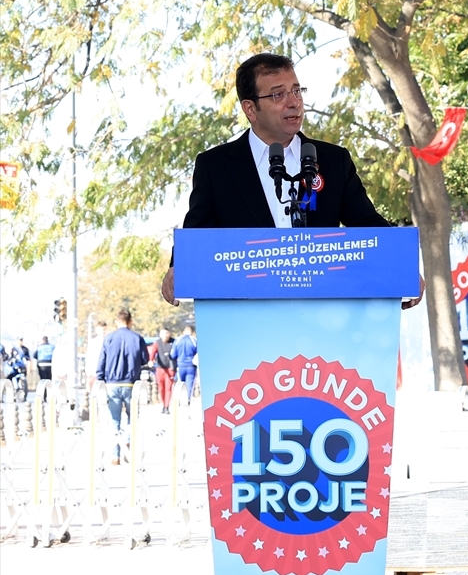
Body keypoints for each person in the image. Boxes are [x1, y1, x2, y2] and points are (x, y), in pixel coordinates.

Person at [160, 52, 421, 307]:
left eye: (297, 91)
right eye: (278, 94)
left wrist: (401, 265)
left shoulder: (332, 161)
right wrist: (179, 266)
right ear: (250, 108)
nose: (294, 102)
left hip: (324, 315)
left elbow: (365, 222)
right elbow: (199, 232)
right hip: (248, 315)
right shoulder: (215, 166)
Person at [96, 310, 149, 465]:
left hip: (112, 383)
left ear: (116, 322)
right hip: (131, 383)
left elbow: (102, 361)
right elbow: (145, 358)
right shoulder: (137, 338)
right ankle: (127, 442)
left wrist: (100, 379)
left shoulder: (109, 338)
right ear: (130, 321)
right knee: (132, 418)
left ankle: (115, 455)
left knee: (114, 420)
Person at [149, 329, 175, 414]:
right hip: (160, 368)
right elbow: (153, 352)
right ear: (160, 335)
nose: (166, 336)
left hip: (170, 368)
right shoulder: (157, 343)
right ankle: (163, 403)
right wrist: (151, 360)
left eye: (167, 333)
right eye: (164, 334)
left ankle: (166, 406)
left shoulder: (173, 342)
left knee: (168, 388)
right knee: (161, 388)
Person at [171, 325, 198, 406]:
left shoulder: (178, 340)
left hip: (181, 365)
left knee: (180, 383)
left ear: (183, 331)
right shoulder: (194, 340)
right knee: (189, 384)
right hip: (191, 365)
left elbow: (173, 355)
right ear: (192, 332)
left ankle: (179, 400)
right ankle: (188, 400)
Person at [84, 321, 109, 389]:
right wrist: (88, 373)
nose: (103, 332)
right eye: (101, 330)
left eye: (104, 329)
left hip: (106, 373)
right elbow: (89, 358)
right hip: (94, 372)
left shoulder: (109, 342)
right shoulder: (93, 343)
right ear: (97, 330)